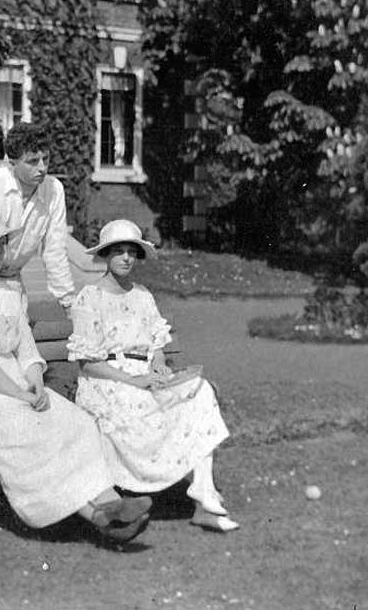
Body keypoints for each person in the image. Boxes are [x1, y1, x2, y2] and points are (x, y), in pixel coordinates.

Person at [0, 210, 151, 542]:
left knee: (75, 421)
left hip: (13, 381)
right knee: (31, 426)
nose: (0, 249)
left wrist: (34, 379)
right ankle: (94, 515)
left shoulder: (6, 289)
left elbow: (25, 346)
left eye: (2, 242)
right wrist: (19, 395)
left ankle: (110, 503)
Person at [66, 219, 240, 533]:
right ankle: (194, 497)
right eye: (117, 251)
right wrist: (133, 381)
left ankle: (203, 493)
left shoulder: (143, 294)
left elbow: (156, 345)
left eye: (131, 252)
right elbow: (87, 364)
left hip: (146, 374)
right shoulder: (89, 297)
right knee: (139, 403)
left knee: (200, 391)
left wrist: (158, 367)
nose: (125, 258)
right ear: (105, 255)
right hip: (107, 381)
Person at [0, 122, 75, 315]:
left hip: (13, 279)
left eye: (46, 158)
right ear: (12, 162)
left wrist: (68, 302)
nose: (42, 167)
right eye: (33, 161)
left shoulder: (54, 189)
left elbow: (55, 249)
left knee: (22, 339)